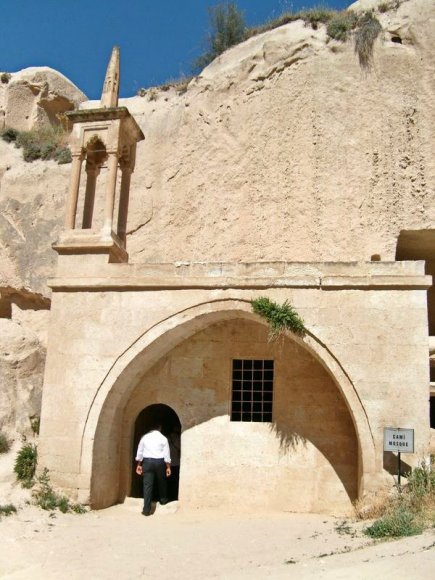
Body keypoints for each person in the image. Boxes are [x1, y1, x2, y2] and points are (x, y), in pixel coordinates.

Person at [135, 424, 171, 516]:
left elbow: (140, 452)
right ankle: (163, 502)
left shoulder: (144, 437)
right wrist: (168, 467)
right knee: (162, 482)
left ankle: (146, 510)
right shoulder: (163, 438)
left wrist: (139, 464)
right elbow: (166, 455)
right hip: (160, 462)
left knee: (147, 485)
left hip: (147, 462)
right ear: (160, 428)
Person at [167, 426, 181, 501]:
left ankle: (167, 496)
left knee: (168, 481)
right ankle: (173, 496)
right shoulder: (177, 437)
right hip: (175, 462)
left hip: (167, 463)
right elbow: (180, 447)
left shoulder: (166, 437)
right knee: (174, 481)